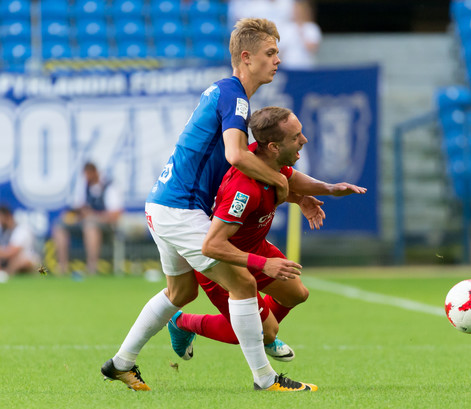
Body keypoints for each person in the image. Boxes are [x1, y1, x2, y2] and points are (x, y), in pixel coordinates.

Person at [101, 18, 317, 392]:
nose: (277, 60)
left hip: (164, 205)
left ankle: (120, 363)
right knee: (243, 281)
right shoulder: (234, 96)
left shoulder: (225, 93)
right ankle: (266, 380)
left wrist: (298, 192)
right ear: (246, 58)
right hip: (181, 208)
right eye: (270, 53)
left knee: (180, 293)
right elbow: (236, 155)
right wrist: (280, 181)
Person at [166, 106, 366, 365]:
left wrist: (325, 190)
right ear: (273, 146)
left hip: (254, 247)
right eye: (296, 137)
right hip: (224, 263)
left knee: (296, 294)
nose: (304, 140)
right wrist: (265, 264)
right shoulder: (243, 190)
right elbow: (211, 245)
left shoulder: (265, 159)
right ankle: (183, 322)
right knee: (265, 331)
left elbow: (289, 178)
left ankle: (259, 329)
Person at [52, 162, 123, 276]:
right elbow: (79, 206)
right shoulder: (84, 186)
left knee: (90, 225)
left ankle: (92, 267)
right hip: (86, 221)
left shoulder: (110, 186)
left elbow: (114, 215)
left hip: (106, 225)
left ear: (95, 172)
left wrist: (93, 215)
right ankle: (62, 267)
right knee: (60, 224)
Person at [277, 0, 322, 69]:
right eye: (296, 10)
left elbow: (313, 48)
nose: (298, 13)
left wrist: (301, 33)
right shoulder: (286, 28)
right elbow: (280, 50)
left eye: (300, 10)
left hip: (306, 66)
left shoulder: (311, 27)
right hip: (288, 66)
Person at [0, 206, 40, 282]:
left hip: (37, 266)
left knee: (18, 260)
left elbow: (12, 252)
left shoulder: (22, 229)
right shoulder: (5, 231)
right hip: (15, 263)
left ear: (7, 216)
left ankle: (6, 276)